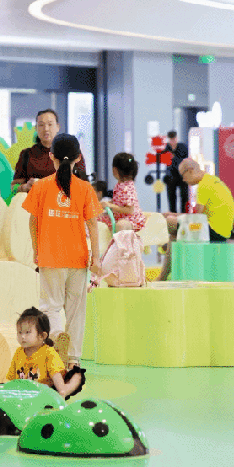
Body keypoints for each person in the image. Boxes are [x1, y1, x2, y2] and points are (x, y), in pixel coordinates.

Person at [22, 133, 101, 370]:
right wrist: (96, 257)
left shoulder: (41, 186)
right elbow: (93, 225)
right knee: (76, 310)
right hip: (77, 258)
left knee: (51, 306)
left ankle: (56, 336)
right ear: (79, 158)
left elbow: (32, 221)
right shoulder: (85, 188)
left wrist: (36, 249)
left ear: (51, 156)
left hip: (50, 256)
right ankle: (74, 358)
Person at [5, 307, 83, 398]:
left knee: (77, 375)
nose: (22, 336)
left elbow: (56, 374)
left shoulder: (48, 352)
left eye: (27, 332)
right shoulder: (18, 352)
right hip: (25, 390)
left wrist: (61, 389)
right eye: (19, 332)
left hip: (47, 389)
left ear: (42, 335)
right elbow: (11, 378)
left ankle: (66, 389)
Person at [12, 109, 87, 193]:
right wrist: (25, 187)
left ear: (57, 127)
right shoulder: (27, 154)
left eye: (50, 124)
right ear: (36, 128)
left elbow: (84, 185)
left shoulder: (72, 151)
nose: (46, 129)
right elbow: (13, 187)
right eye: (41, 125)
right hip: (35, 199)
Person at [178, 159, 234, 242]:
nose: (183, 179)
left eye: (183, 175)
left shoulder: (203, 185)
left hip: (213, 232)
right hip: (223, 232)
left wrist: (176, 217)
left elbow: (197, 217)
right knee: (176, 222)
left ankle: (173, 251)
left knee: (171, 223)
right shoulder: (211, 180)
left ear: (190, 171)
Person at [100, 153, 147, 232]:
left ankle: (122, 240)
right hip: (119, 217)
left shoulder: (127, 187)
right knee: (97, 217)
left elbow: (130, 210)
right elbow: (117, 201)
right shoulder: (119, 185)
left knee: (121, 225)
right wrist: (106, 204)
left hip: (131, 219)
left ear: (114, 170)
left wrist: (110, 205)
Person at [161, 131, 189, 214]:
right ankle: (173, 215)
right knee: (171, 197)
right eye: (171, 140)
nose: (172, 142)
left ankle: (184, 214)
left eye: (174, 139)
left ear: (176, 138)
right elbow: (163, 158)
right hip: (171, 175)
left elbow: (186, 160)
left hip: (182, 175)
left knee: (184, 196)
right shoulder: (166, 148)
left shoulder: (183, 147)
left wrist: (174, 158)